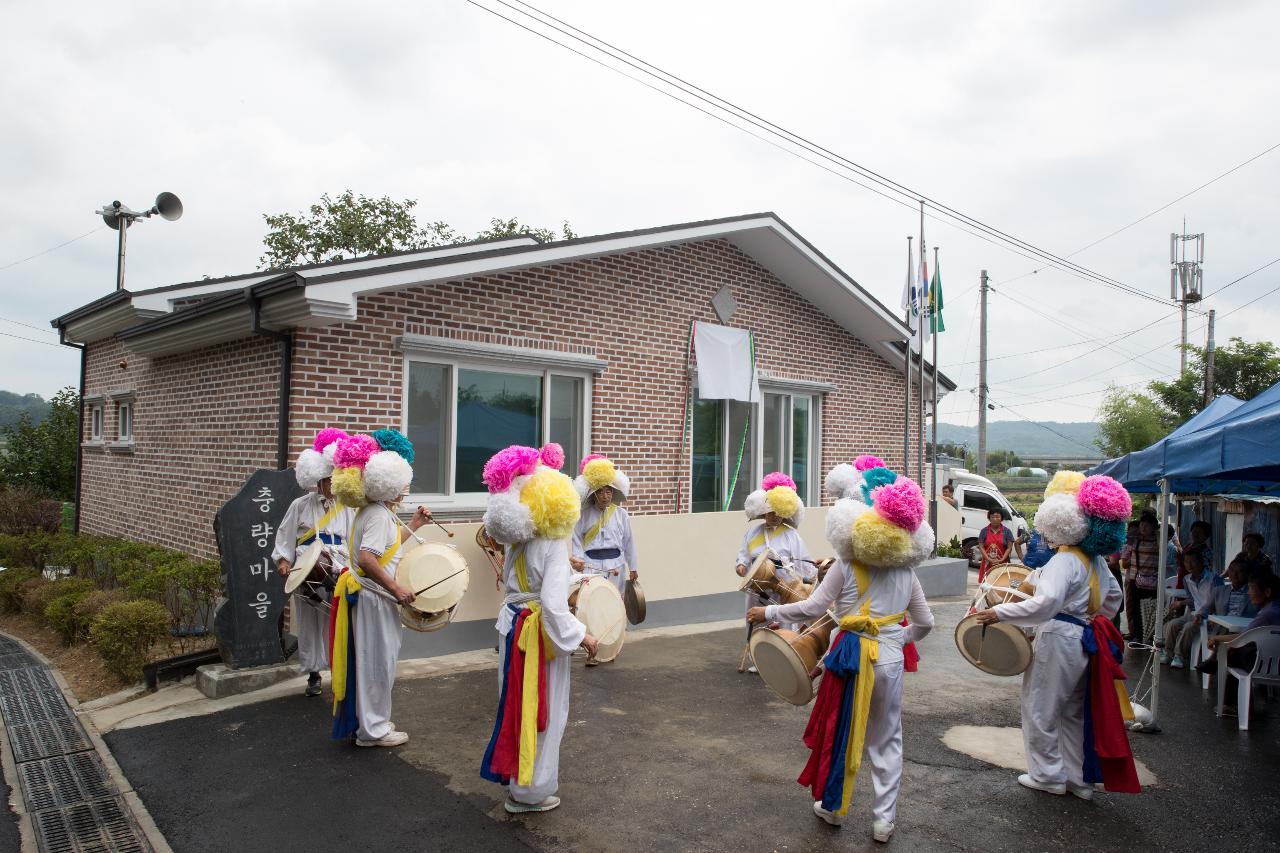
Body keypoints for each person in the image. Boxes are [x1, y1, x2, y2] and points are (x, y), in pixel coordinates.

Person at [749, 459, 934, 843]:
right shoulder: (907, 571)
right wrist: (900, 638)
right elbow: (926, 623)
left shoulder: (847, 563)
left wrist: (768, 609)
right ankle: (884, 820)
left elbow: (812, 608)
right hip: (890, 658)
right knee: (887, 738)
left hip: (849, 656)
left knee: (842, 727)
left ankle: (833, 807)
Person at [975, 471, 1140, 800]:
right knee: (1073, 711)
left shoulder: (1064, 560)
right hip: (1083, 639)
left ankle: (1047, 775)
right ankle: (1078, 780)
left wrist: (1000, 612)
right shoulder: (1095, 561)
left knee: (1040, 708)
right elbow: (1113, 600)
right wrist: (1089, 618)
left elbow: (1045, 603)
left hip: (1058, 636)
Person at [479, 443, 599, 814]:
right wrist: (584, 636)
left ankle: (518, 783)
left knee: (515, 706)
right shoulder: (553, 542)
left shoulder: (518, 538)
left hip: (511, 628)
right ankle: (532, 791)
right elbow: (552, 603)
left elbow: (529, 587)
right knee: (544, 709)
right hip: (539, 637)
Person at [328, 429, 432, 747]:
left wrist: (413, 525)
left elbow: (386, 551)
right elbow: (367, 558)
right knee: (378, 663)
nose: (406, 488)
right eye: (403, 482)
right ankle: (373, 731)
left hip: (369, 597)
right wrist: (396, 587)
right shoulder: (378, 515)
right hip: (375, 599)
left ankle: (370, 722)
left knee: (373, 661)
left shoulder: (376, 512)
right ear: (388, 484)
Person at [273, 428, 355, 696]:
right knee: (309, 621)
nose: (332, 484)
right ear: (318, 480)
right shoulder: (300, 505)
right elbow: (284, 535)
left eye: (335, 479)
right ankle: (313, 673)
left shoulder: (348, 507)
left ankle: (338, 667)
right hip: (307, 565)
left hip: (337, 564)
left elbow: (354, 540)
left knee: (338, 617)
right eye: (328, 480)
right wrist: (283, 561)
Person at [734, 472, 812, 670]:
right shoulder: (753, 532)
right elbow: (743, 554)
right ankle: (759, 661)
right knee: (757, 620)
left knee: (784, 621)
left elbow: (803, 561)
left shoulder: (791, 534)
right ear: (763, 514)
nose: (774, 516)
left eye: (777, 512)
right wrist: (741, 565)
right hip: (758, 587)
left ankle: (784, 660)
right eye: (770, 513)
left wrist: (803, 581)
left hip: (784, 586)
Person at [1200, 573, 1280, 713]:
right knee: (1232, 649)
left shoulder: (1267, 614)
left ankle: (1233, 704)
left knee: (1230, 652)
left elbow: (1243, 637)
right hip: (1274, 664)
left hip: (1261, 665)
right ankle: (1213, 661)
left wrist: (1217, 639)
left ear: (1267, 592)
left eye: (1251, 589)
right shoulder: (1275, 609)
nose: (1248, 593)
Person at [1160, 552, 1222, 668]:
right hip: (1194, 613)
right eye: (1186, 562)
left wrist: (1205, 616)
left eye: (1192, 561)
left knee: (1188, 627)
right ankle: (1168, 654)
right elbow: (1192, 599)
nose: (1189, 565)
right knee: (1172, 624)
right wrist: (1181, 603)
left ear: (1201, 563)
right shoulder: (1186, 579)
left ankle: (1179, 656)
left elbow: (1217, 603)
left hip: (1209, 617)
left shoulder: (1213, 579)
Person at [1123, 513, 1161, 642]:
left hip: (1153, 580)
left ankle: (1149, 635)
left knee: (1151, 608)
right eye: (1142, 525)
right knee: (1136, 608)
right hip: (1135, 579)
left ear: (1153, 527)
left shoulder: (1158, 541)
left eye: (1147, 525)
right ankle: (1138, 636)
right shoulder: (1135, 540)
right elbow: (1126, 537)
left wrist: (1157, 533)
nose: (1144, 527)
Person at [977, 508, 1013, 583]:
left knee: (1001, 584)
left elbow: (1009, 547)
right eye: (992, 517)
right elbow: (981, 546)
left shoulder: (1007, 531)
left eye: (997, 517)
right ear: (989, 518)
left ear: (1001, 518)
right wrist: (988, 559)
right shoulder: (984, 531)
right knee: (986, 585)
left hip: (1002, 563)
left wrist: (1002, 559)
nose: (995, 519)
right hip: (987, 564)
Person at [1174, 521, 1212, 588]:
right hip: (1182, 579)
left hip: (1195, 584)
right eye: (1194, 531)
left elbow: (1205, 570)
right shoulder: (1188, 546)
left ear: (1206, 536)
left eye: (1199, 533)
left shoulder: (1206, 551)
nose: (1195, 534)